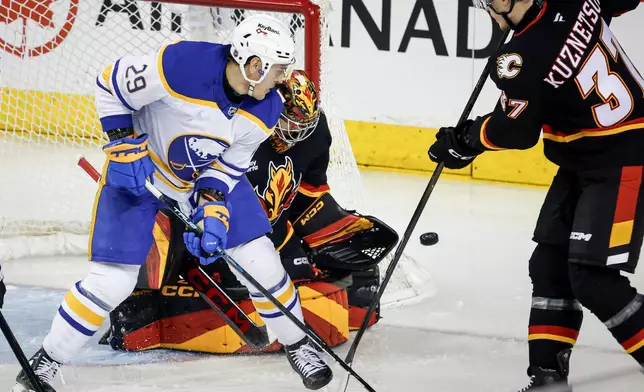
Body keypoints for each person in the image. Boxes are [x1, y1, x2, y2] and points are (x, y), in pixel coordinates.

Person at [12, 15, 333, 392]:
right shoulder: (180, 65)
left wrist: (213, 205)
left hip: (202, 176)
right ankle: (45, 363)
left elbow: (230, 164)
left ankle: (298, 345)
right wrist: (122, 143)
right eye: (278, 69)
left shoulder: (266, 106)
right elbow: (110, 84)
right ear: (254, 64)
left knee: (260, 259)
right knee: (110, 282)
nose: (282, 79)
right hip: (140, 173)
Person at [428, 0, 643, 390]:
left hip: (626, 159)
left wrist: (465, 140)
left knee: (592, 278)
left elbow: (516, 132)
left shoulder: (519, 55)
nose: (487, 9)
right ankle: (548, 377)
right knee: (549, 264)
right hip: (586, 159)